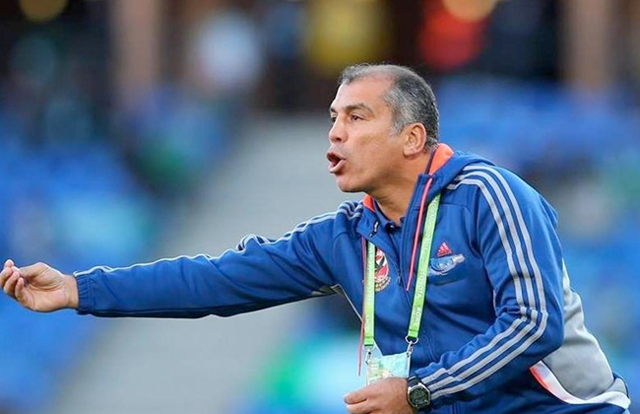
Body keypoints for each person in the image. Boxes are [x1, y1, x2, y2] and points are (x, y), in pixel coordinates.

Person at [0, 64, 632, 414]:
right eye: (332, 118)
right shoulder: (346, 236)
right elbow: (214, 280)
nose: (335, 133)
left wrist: (419, 392)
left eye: (357, 117)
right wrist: (81, 289)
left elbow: (534, 324)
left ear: (412, 139)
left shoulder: (489, 195)